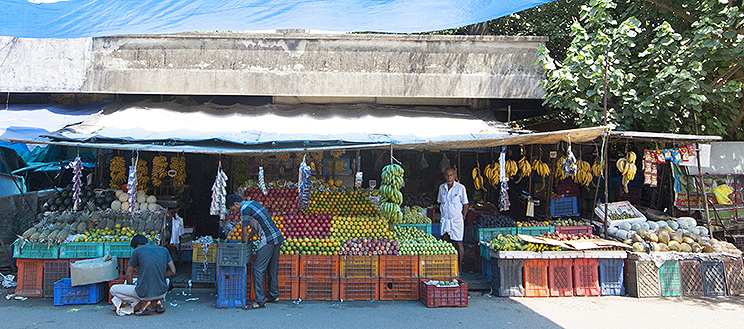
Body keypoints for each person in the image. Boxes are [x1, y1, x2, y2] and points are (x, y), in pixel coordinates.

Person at [226, 194, 284, 310]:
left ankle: (260, 301)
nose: (236, 212)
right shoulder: (253, 203)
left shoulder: (244, 209)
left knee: (257, 268)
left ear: (237, 204)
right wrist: (250, 237)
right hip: (277, 237)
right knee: (272, 268)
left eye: (234, 209)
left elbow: (244, 231)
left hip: (268, 239)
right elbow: (256, 226)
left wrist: (244, 243)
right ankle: (274, 295)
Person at [109, 234, 176, 316]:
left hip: (143, 294)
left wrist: (129, 286)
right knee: (167, 280)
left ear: (137, 246)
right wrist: (159, 277)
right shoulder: (164, 250)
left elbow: (129, 273)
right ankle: (158, 301)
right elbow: (173, 271)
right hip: (161, 292)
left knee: (113, 289)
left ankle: (143, 301)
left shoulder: (138, 251)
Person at [437, 167, 468, 271]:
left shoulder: (460, 188)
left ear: (454, 176)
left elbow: (465, 204)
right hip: (445, 219)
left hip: (456, 219)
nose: (449, 177)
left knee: (459, 243)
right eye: (447, 175)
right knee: (445, 241)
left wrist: (463, 216)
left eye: (451, 175)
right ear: (444, 176)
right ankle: (447, 266)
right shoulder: (442, 188)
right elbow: (440, 202)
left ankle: (459, 267)